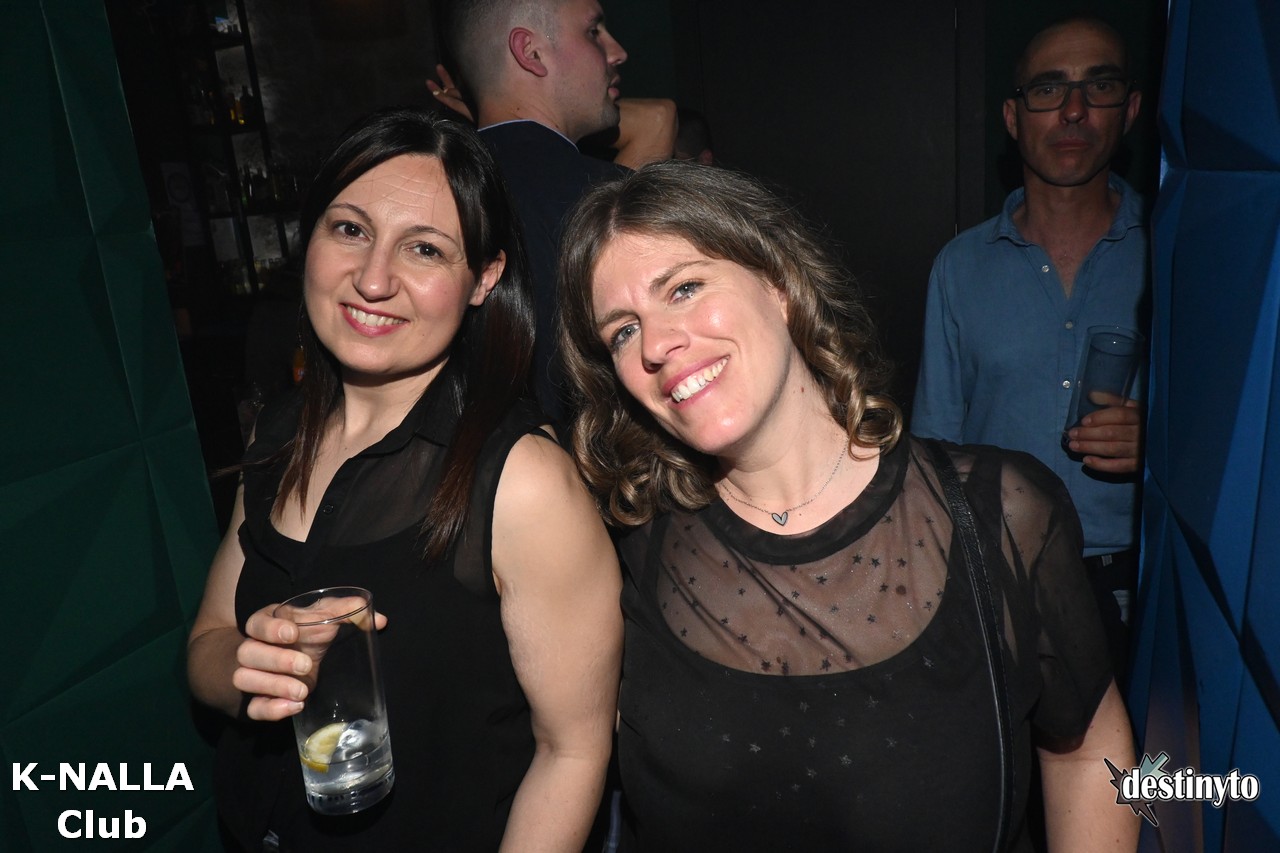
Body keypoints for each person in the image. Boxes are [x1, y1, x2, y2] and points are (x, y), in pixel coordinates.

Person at [555, 161, 1139, 852]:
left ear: (778, 284)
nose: (656, 345)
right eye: (623, 331)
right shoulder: (626, 543)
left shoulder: (1000, 513)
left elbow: (1085, 751)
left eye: (684, 288)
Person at [186, 107, 622, 852]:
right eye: (349, 229)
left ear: (484, 279)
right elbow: (207, 642)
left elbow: (573, 752)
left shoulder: (522, 483)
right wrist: (250, 667)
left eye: (424, 248)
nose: (372, 279)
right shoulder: (276, 434)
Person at [912, 17, 1148, 681]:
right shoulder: (961, 266)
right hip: (998, 576)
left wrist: (1165, 446)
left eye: (1098, 86)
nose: (1074, 109)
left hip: (1138, 581)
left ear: (1130, 110)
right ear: (1014, 118)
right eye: (1049, 89)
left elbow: (1241, 440)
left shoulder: (1178, 253)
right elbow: (934, 450)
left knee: (1141, 751)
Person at [434, 0, 676, 424]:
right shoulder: (604, 197)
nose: (618, 52)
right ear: (530, 52)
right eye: (593, 31)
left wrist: (487, 103)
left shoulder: (433, 188)